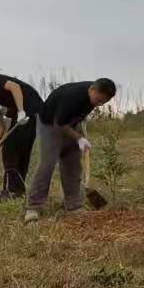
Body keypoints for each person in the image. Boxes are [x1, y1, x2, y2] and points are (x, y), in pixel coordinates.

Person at [24, 78, 117, 223]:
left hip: (71, 124)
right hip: (50, 124)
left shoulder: (95, 94)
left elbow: (78, 116)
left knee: (73, 163)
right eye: (98, 100)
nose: (99, 104)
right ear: (92, 90)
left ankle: (74, 205)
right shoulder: (72, 96)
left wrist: (82, 135)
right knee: (47, 163)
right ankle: (34, 206)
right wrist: (78, 138)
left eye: (103, 102)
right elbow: (59, 123)